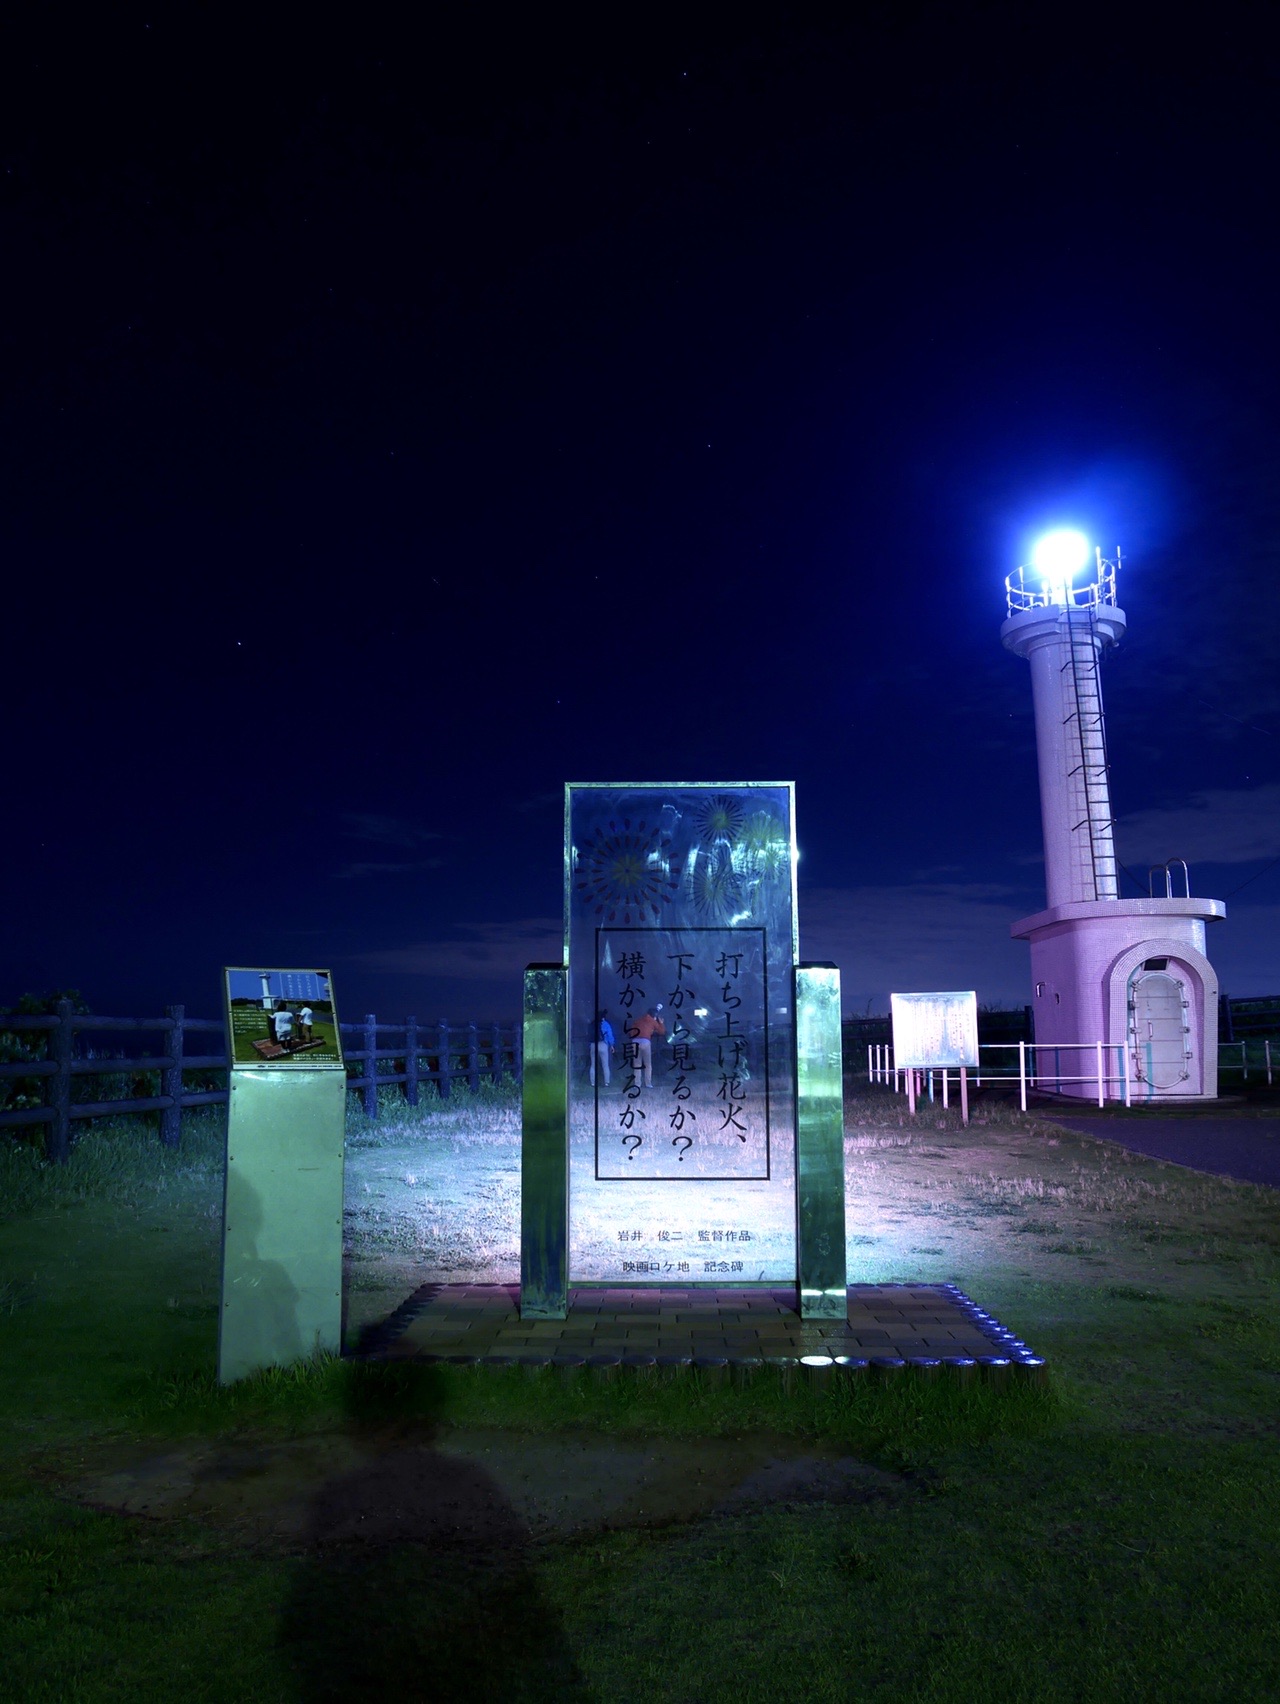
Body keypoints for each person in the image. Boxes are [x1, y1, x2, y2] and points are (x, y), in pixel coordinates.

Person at [628, 1005, 665, 1088]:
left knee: (637, 1064)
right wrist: (661, 1023)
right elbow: (661, 1032)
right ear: (654, 1015)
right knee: (648, 1064)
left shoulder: (638, 1020)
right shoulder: (652, 1021)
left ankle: (637, 1084)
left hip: (635, 1042)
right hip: (645, 1042)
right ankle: (648, 1084)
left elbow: (632, 1032)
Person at [590, 1009, 615, 1087]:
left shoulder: (592, 1024)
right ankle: (606, 1082)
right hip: (603, 1044)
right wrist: (612, 1045)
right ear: (603, 1017)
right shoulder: (605, 1024)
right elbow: (610, 1036)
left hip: (593, 1045)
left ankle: (592, 1082)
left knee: (593, 1065)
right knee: (605, 1065)